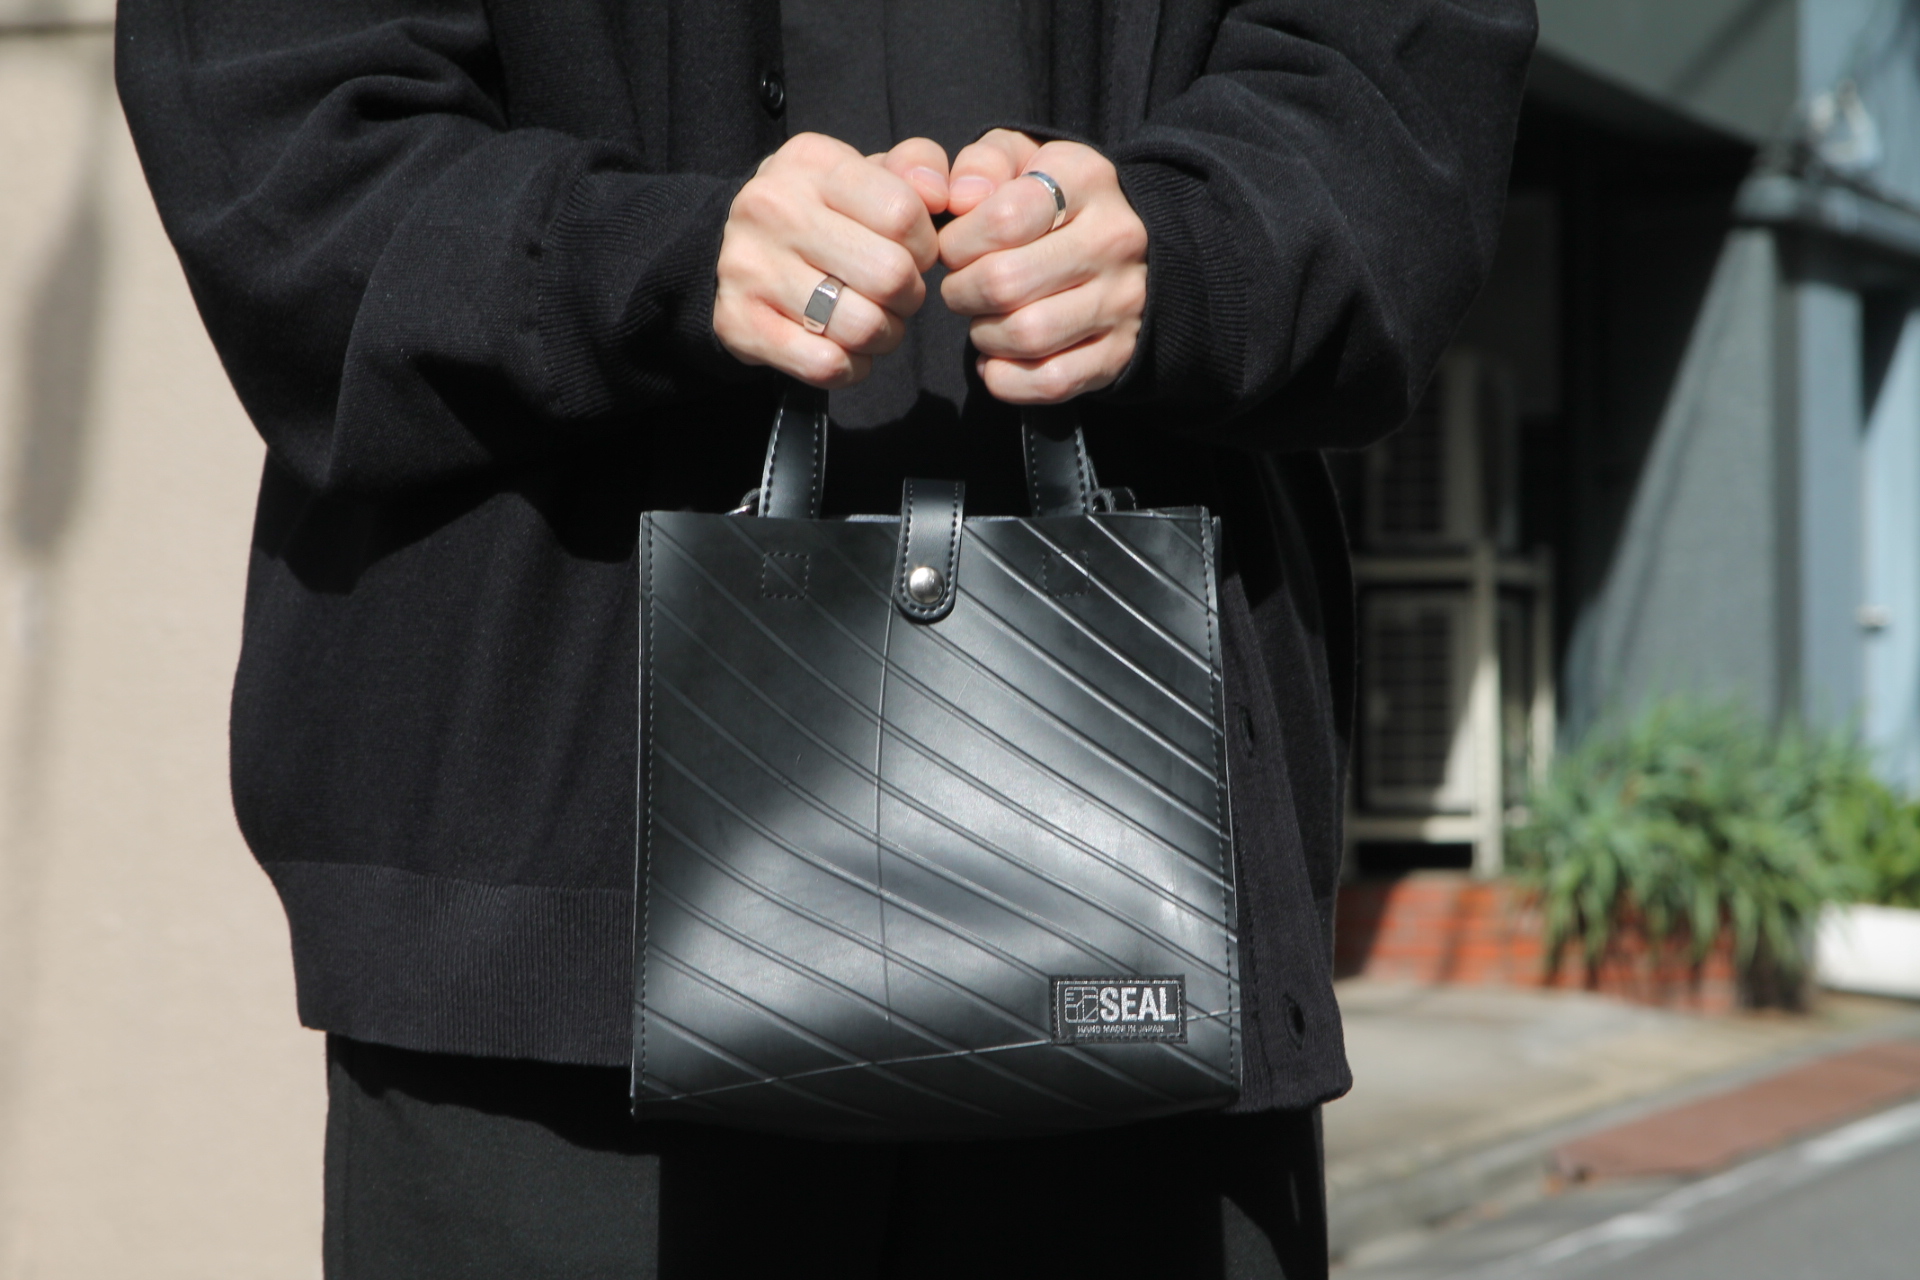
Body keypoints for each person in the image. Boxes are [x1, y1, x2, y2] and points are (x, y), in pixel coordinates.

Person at [116, 1, 1536, 1276]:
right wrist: (656, 257)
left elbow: (1399, 78)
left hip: (1143, 911)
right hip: (541, 929)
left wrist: (1188, 247)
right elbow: (284, 134)